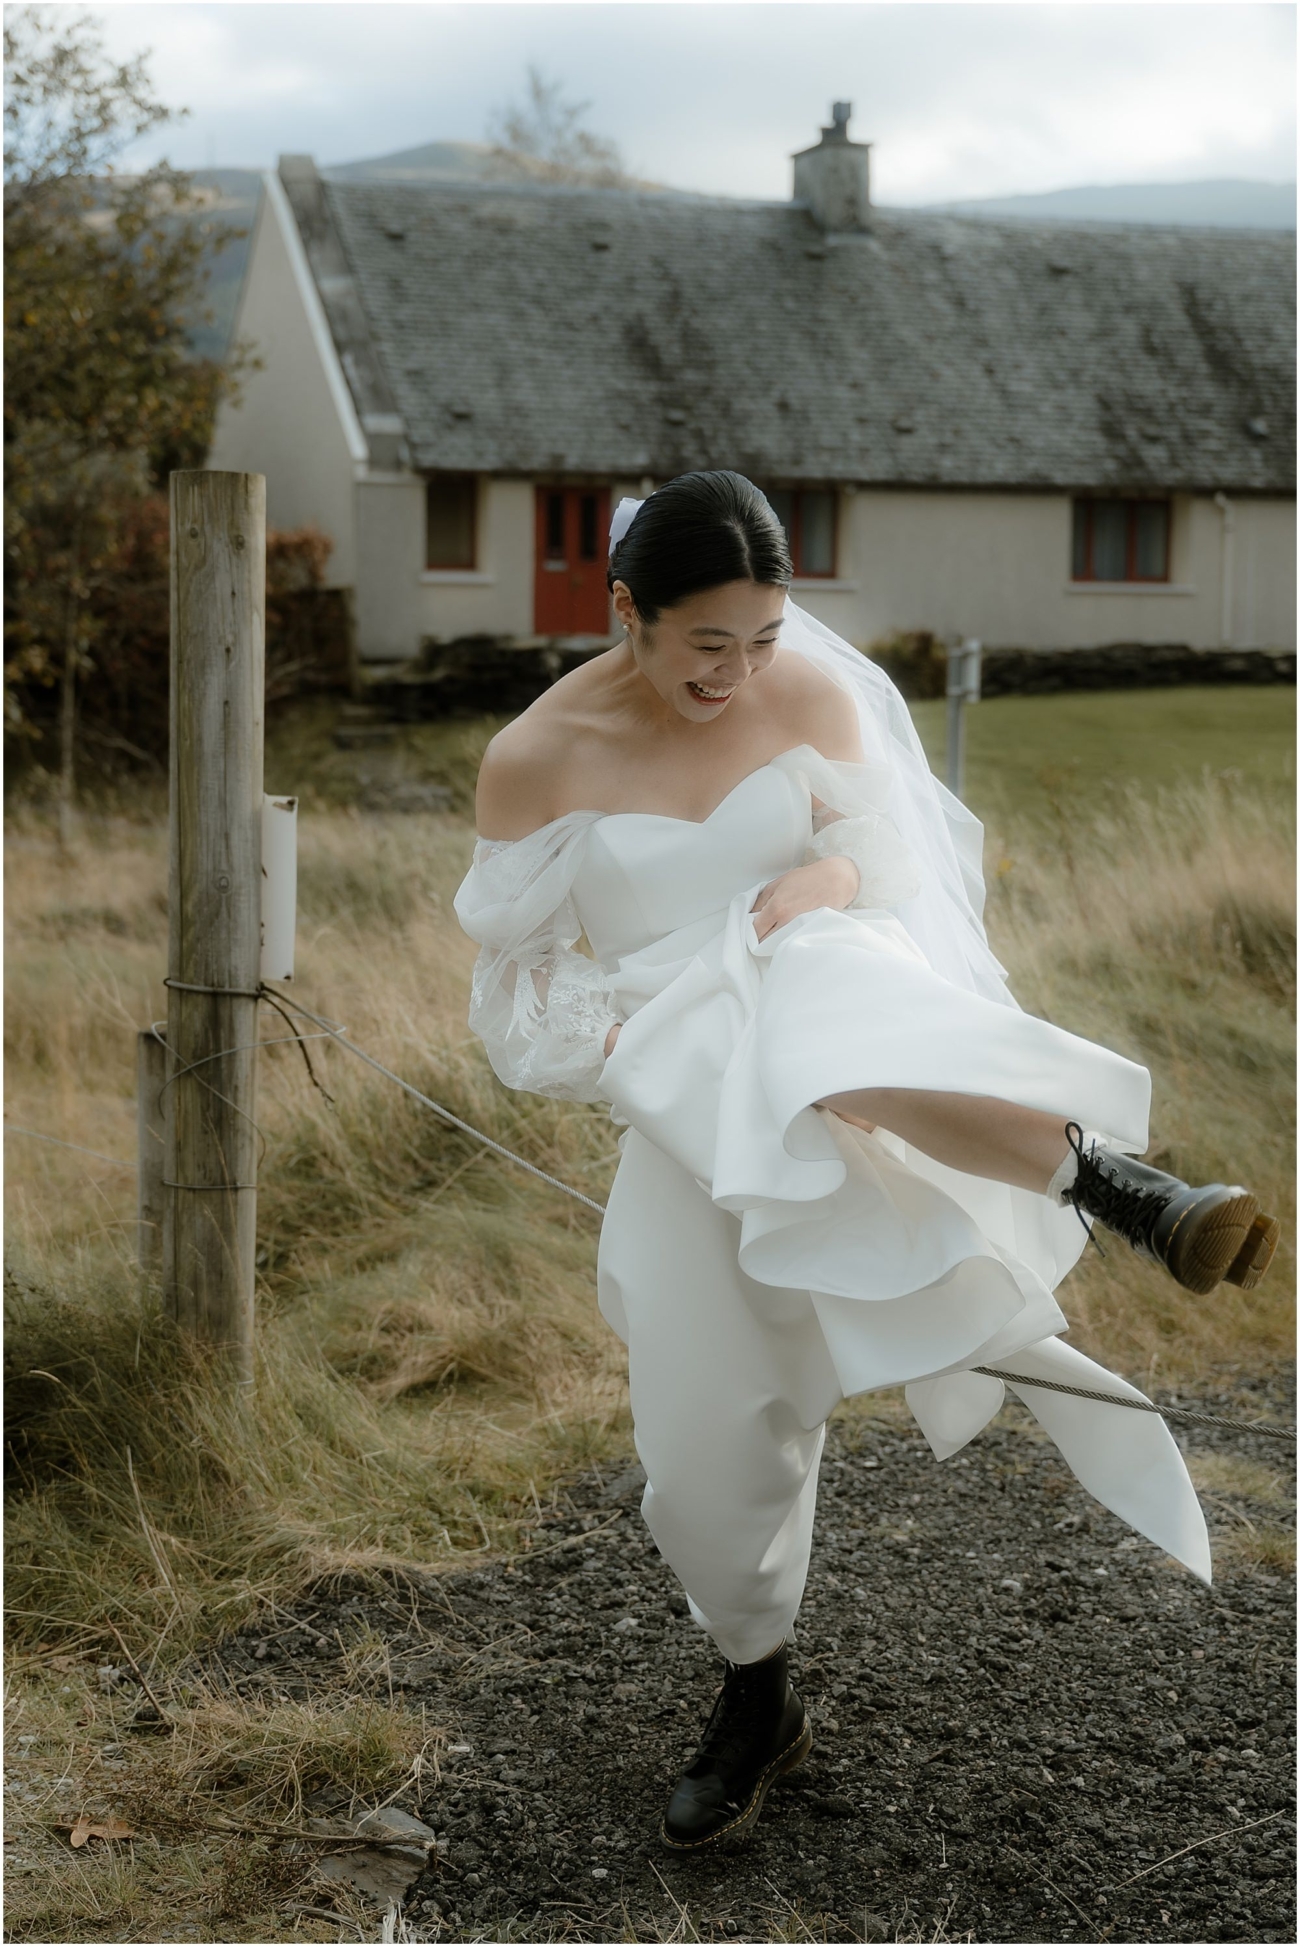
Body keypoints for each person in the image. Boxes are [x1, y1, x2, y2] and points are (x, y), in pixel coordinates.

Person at [453, 471, 1278, 1852]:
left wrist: (824, 885)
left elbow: (884, 856)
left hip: (835, 1003)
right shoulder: (537, 758)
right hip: (683, 1082)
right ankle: (757, 1696)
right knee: (708, 1451)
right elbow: (514, 987)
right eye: (708, 643)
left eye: (767, 638)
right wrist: (632, 1047)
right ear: (626, 615)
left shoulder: (812, 701)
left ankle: (1125, 1188)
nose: (743, 671)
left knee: (817, 999)